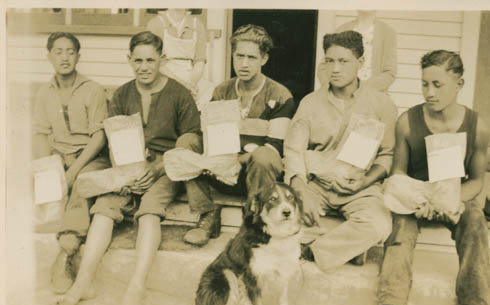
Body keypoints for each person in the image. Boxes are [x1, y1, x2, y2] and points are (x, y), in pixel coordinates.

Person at [55, 31, 206, 305]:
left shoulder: (179, 94)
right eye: (137, 60)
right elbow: (115, 135)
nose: (144, 66)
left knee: (149, 211)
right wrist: (123, 173)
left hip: (164, 169)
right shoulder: (123, 94)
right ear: (129, 60)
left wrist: (157, 167)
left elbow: (191, 138)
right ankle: (84, 281)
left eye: (150, 60)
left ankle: (136, 286)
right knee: (103, 209)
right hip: (127, 168)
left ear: (162, 59)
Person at [375, 50, 490, 305]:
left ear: (459, 84)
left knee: (475, 220)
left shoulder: (477, 126)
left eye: (437, 85)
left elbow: (476, 180)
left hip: (453, 197)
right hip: (415, 197)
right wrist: (417, 199)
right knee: (400, 228)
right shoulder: (407, 121)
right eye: (424, 84)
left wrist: (451, 199)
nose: (429, 92)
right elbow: (399, 173)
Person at [284, 30, 397, 271]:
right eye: (329, 60)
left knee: (379, 225)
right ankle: (349, 249)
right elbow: (294, 150)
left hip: (359, 188)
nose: (335, 69)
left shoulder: (381, 103)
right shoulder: (310, 103)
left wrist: (365, 181)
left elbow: (387, 154)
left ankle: (315, 250)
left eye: (343, 61)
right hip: (318, 185)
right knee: (284, 217)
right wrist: (300, 187)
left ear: (360, 63)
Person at [182, 24, 296, 246]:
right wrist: (215, 160)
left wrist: (235, 162)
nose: (244, 64)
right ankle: (207, 214)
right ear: (232, 55)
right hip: (221, 173)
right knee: (187, 143)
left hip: (256, 178)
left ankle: (254, 221)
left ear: (264, 59)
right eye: (239, 56)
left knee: (263, 155)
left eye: (252, 57)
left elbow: (274, 148)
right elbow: (212, 138)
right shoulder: (222, 91)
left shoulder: (280, 95)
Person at [32, 32, 110, 294]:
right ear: (49, 56)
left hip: (90, 157)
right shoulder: (44, 93)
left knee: (82, 184)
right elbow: (41, 134)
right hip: (58, 157)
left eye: (70, 52)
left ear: (78, 56)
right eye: (58, 51)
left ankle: (68, 249)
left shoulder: (93, 89)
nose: (64, 57)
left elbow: (99, 137)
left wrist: (73, 171)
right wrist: (48, 168)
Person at [146, 8, 214, 108]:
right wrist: (184, 85)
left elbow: (199, 61)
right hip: (164, 73)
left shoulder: (197, 25)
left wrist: (193, 85)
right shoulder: (155, 24)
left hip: (191, 74)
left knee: (209, 91)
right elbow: (156, 63)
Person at [317, 10, 397, 92]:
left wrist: (361, 91)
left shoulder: (387, 32)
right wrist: (335, 90)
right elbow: (323, 68)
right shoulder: (342, 29)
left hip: (372, 94)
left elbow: (389, 73)